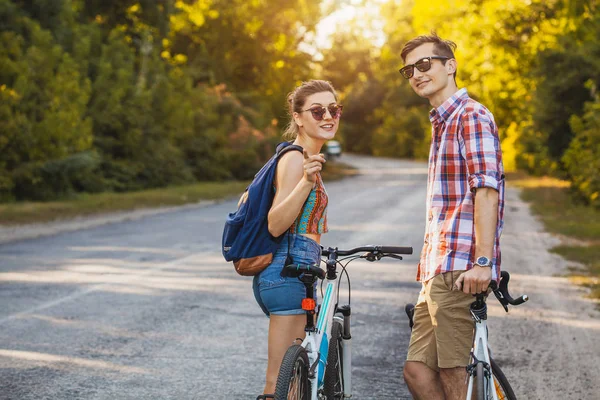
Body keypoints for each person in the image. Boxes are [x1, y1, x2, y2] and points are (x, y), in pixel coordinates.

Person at [398, 34, 505, 399]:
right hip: (437, 267)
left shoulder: (470, 115)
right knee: (416, 370)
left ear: (450, 65)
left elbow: (486, 190)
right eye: (409, 69)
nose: (416, 74)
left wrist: (483, 260)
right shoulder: (442, 122)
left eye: (425, 64)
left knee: (452, 371)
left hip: (462, 267)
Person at [254, 80, 343, 399]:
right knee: (278, 385)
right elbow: (276, 223)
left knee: (294, 384)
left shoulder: (306, 158)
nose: (328, 116)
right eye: (317, 110)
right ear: (298, 117)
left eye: (334, 109)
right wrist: (306, 182)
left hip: (299, 270)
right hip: (287, 272)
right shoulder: (295, 159)